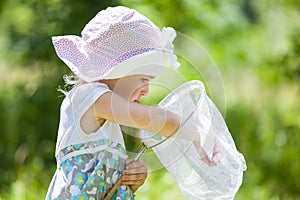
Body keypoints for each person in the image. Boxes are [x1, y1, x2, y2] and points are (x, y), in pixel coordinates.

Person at [46, 6, 180, 200]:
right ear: (117, 70)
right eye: (144, 79)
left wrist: (133, 178)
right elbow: (147, 118)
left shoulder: (107, 117)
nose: (147, 90)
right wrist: (189, 127)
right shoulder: (90, 97)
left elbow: (104, 183)